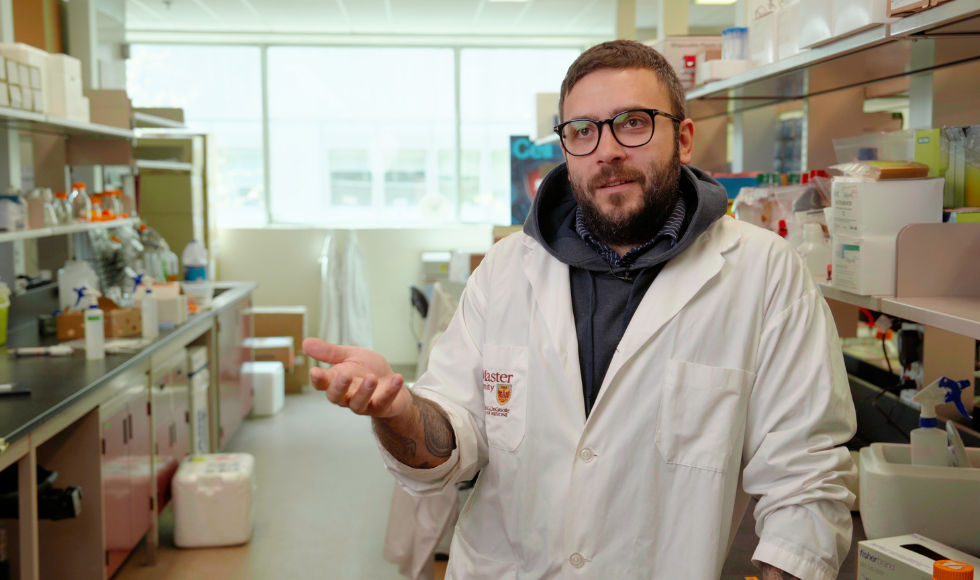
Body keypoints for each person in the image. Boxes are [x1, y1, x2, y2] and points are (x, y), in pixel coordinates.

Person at [304, 40, 857, 580]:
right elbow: (453, 440)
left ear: (684, 138)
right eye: (583, 131)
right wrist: (397, 411)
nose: (607, 149)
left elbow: (804, 481)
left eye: (634, 122)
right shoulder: (505, 271)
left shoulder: (763, 273)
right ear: (566, 148)